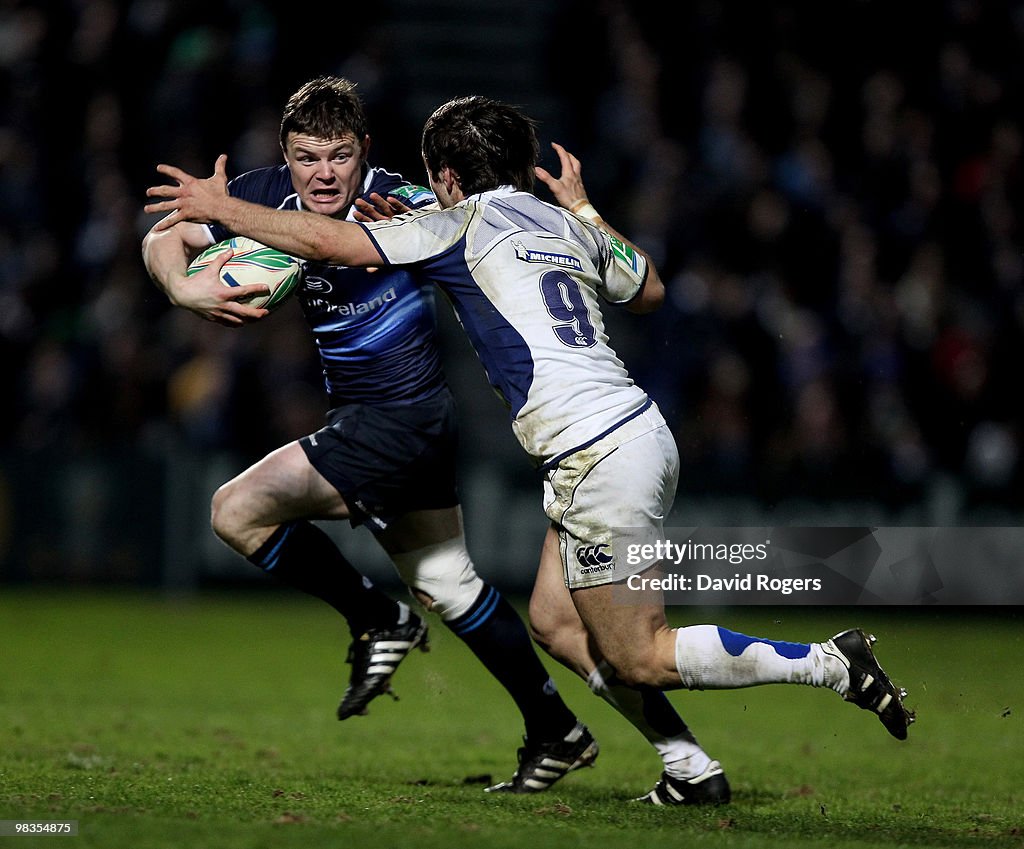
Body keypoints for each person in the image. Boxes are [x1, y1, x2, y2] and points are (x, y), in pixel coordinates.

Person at [144, 94, 915, 804]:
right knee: (553, 620)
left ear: (445, 176)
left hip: (596, 454)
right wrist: (581, 201)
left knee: (641, 652)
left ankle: (829, 661)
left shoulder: (454, 223)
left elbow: (328, 241)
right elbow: (647, 287)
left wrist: (222, 210)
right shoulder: (562, 221)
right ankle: (688, 767)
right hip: (631, 431)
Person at [142, 77, 601, 794]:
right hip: (378, 416)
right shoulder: (263, 192)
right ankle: (556, 729)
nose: (324, 174)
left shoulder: (406, 200)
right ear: (285, 155)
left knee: (234, 509)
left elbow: (481, 227)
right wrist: (181, 286)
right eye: (307, 158)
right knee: (449, 584)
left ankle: (374, 615)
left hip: (403, 416)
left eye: (339, 156)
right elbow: (163, 233)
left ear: (364, 152)